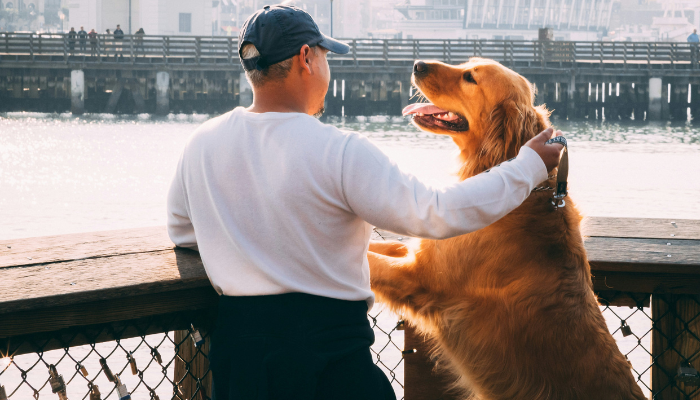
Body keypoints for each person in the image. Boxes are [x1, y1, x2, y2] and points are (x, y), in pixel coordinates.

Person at [166, 5, 564, 400]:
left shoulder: (200, 144)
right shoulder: (339, 151)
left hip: (241, 360)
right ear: (307, 59)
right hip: (329, 356)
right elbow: (435, 212)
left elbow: (182, 232)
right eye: (324, 56)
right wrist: (528, 166)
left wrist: (250, 245)